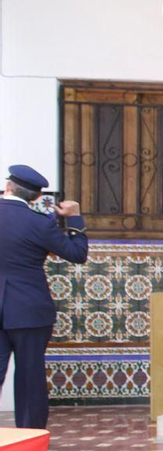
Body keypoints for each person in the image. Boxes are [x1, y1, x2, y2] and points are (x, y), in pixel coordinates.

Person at [0, 163, 88, 429]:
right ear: (37, 197)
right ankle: (29, 439)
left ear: (7, 186)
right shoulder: (40, 224)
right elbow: (77, 254)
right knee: (30, 378)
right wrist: (73, 219)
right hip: (30, 311)